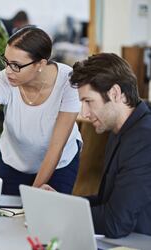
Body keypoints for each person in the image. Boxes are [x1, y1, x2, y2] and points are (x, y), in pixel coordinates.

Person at [0, 26, 82, 196]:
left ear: (41, 64)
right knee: (10, 215)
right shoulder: (3, 80)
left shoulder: (69, 82)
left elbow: (56, 147)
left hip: (59, 164)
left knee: (48, 217)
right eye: (6, 61)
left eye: (16, 65)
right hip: (14, 161)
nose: (8, 70)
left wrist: (33, 194)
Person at [41, 53, 151, 238]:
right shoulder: (123, 129)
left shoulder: (144, 140)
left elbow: (116, 222)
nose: (84, 112)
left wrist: (61, 213)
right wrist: (61, 203)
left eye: (88, 102)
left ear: (115, 93)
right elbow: (106, 202)